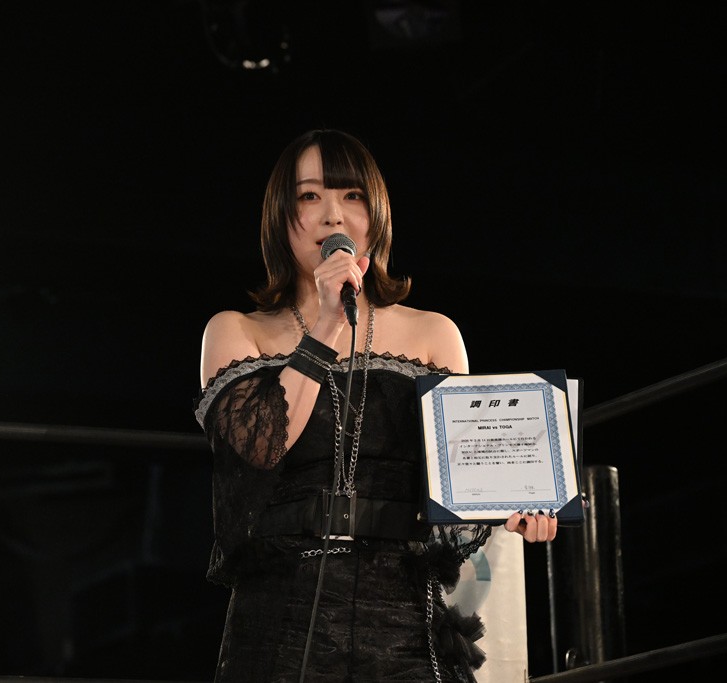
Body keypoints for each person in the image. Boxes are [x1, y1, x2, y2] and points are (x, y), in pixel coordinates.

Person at [194, 129, 557, 682]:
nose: (333, 214)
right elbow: (261, 447)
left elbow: (457, 480)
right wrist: (324, 324)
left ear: (376, 213)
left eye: (352, 195)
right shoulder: (236, 331)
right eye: (309, 196)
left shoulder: (433, 333)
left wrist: (517, 504)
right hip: (282, 612)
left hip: (403, 612)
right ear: (280, 217)